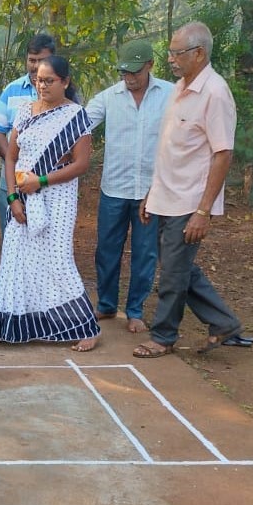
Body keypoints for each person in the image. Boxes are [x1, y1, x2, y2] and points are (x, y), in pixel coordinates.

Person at [133, 22, 243, 359]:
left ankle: (164, 336)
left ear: (199, 53)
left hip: (189, 200)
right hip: (166, 194)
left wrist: (203, 210)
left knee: (173, 272)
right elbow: (171, 148)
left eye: (177, 53)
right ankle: (223, 321)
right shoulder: (180, 87)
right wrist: (152, 192)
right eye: (170, 52)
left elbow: (222, 153)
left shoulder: (215, 93)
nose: (170, 59)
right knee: (177, 265)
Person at [0, 56, 100, 351]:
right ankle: (12, 326)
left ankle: (83, 325)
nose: (42, 85)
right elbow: (11, 157)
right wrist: (12, 198)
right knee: (17, 258)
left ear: (65, 82)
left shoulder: (75, 116)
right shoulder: (24, 111)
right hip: (22, 195)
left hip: (57, 198)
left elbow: (81, 164)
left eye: (49, 80)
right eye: (38, 79)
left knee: (57, 260)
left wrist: (43, 181)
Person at [84, 39, 171, 334]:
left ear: (150, 66)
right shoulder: (108, 97)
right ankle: (107, 304)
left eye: (135, 71)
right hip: (114, 187)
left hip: (151, 189)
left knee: (145, 253)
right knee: (107, 249)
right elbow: (80, 124)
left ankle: (135, 310)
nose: (129, 78)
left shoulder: (170, 95)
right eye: (124, 72)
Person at [0, 33, 55, 239]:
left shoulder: (64, 92)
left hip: (50, 184)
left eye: (41, 60)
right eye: (31, 60)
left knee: (47, 244)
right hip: (11, 182)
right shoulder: (12, 90)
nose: (35, 66)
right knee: (13, 240)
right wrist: (15, 164)